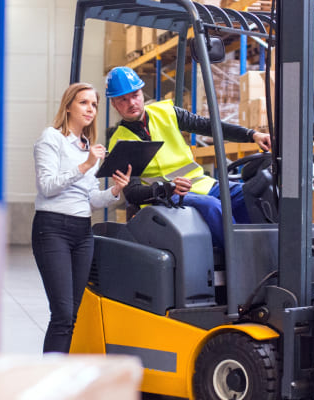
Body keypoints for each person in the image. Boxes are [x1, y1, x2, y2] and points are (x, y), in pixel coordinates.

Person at [106, 66, 271, 248]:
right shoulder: (120, 142)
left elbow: (209, 126)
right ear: (114, 104)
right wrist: (168, 188)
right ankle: (242, 258)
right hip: (167, 197)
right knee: (212, 207)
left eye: (135, 95)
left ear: (141, 93)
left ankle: (264, 252)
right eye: (123, 99)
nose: (132, 103)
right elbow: (133, 193)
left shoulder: (167, 113)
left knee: (251, 194)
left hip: (202, 185)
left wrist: (252, 135)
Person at [32, 82, 131, 353]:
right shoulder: (51, 138)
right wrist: (86, 164)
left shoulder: (89, 147)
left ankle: (61, 378)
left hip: (82, 231)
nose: (90, 109)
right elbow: (47, 186)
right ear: (68, 106)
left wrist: (115, 190)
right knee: (62, 314)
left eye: (94, 104)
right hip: (52, 228)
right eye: (84, 102)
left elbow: (91, 199)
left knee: (73, 316)